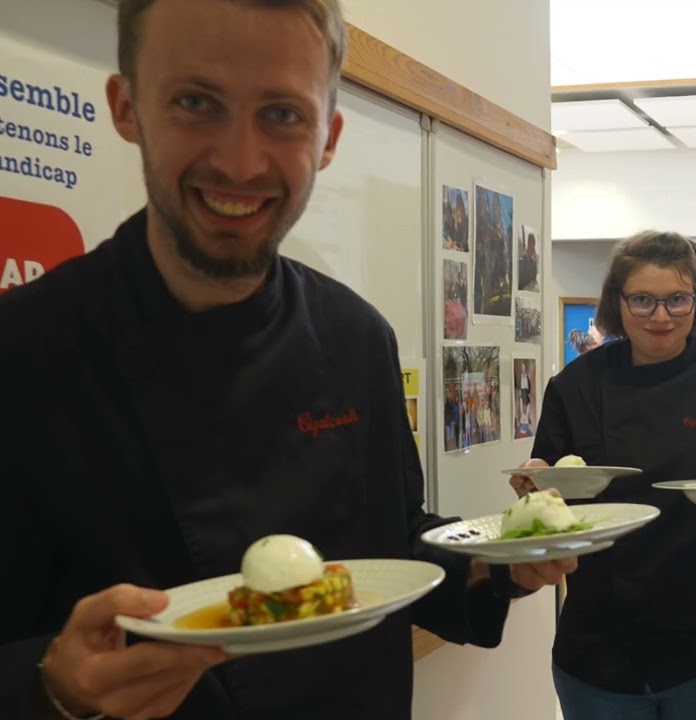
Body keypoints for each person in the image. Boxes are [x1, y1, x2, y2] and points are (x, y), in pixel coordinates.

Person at [0, 1, 575, 718]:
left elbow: (389, 549)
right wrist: (50, 685)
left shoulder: (356, 336)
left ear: (327, 138)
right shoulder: (23, 350)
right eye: (195, 103)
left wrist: (501, 565)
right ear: (126, 108)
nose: (239, 162)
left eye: (282, 115)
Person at [509, 230, 696, 719]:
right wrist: (535, 486)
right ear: (617, 302)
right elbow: (553, 502)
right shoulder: (576, 387)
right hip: (599, 645)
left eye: (677, 299)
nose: (661, 316)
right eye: (643, 299)